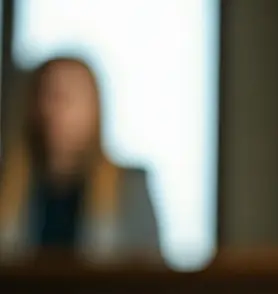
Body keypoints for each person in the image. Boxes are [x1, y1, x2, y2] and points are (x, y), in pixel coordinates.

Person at [0, 56, 161, 264]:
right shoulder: (6, 186)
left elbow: (150, 278)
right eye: (48, 96)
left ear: (94, 108)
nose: (55, 110)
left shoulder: (130, 187)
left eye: (68, 98)